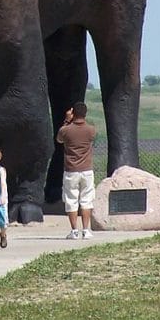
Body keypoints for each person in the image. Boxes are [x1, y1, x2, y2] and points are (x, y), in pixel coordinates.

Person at [57, 101, 97, 239]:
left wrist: (67, 121)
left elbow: (59, 140)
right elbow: (92, 138)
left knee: (71, 200)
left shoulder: (65, 130)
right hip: (87, 169)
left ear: (73, 113)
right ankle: (86, 230)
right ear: (85, 114)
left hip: (71, 170)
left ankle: (74, 231)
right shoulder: (91, 130)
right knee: (87, 200)